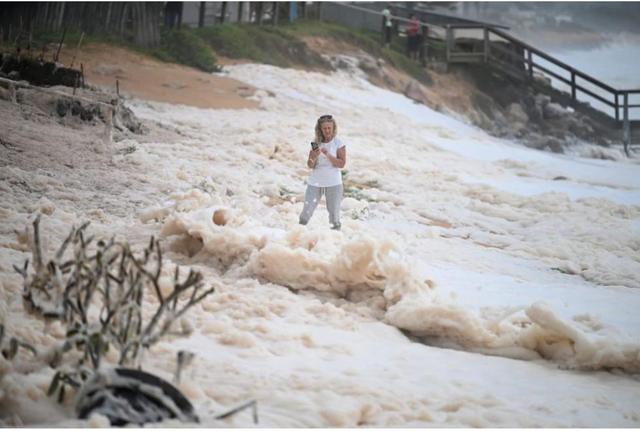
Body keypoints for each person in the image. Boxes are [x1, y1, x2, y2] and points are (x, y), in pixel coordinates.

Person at [299, 115, 347, 230]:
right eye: (324, 128)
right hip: (315, 182)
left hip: (334, 183)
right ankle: (298, 235)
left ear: (333, 128)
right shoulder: (315, 143)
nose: (327, 131)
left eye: (329, 128)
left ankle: (336, 240)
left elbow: (341, 164)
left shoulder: (338, 143)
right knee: (306, 211)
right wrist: (313, 157)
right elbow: (311, 165)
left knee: (334, 215)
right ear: (320, 129)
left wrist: (328, 155)